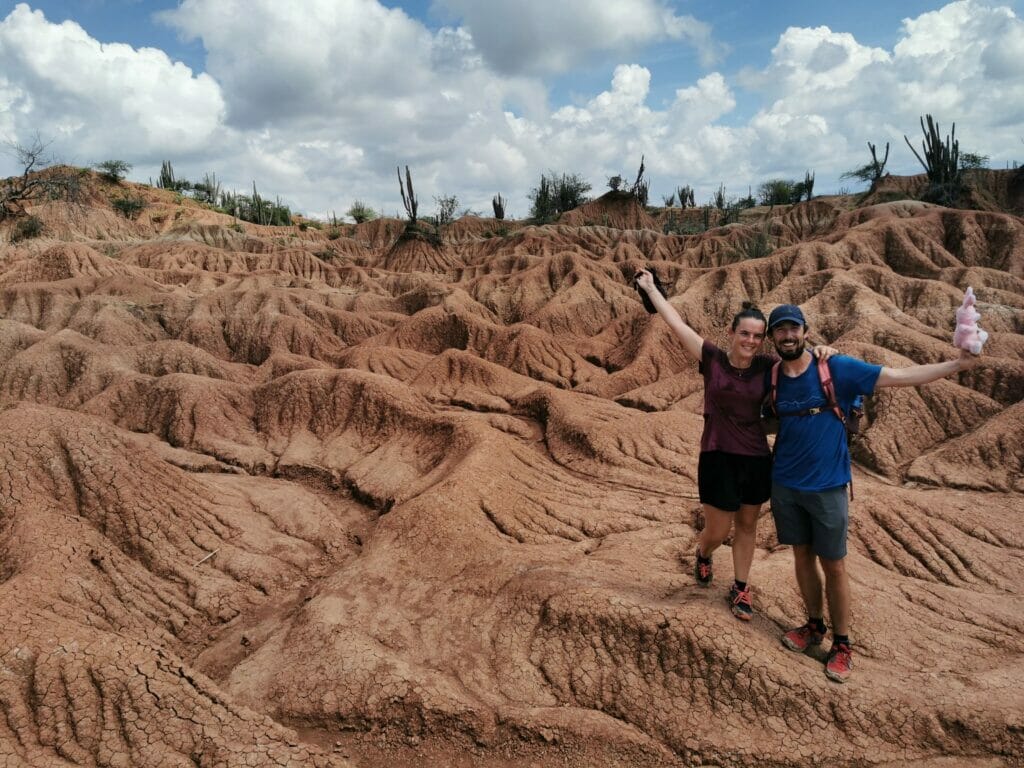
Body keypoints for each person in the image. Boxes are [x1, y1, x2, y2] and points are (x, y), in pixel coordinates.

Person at [765, 303, 980, 683]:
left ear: (805, 332)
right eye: (780, 331)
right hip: (785, 483)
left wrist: (956, 365)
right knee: (801, 555)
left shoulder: (836, 368)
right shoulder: (772, 376)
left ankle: (843, 644)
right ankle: (814, 627)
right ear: (772, 338)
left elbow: (899, 375)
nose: (787, 336)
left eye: (793, 329)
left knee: (834, 565)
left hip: (827, 486)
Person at [634, 270, 837, 621]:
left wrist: (826, 351)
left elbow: (803, 363)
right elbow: (676, 323)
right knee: (718, 529)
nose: (751, 340)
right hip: (717, 456)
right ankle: (703, 552)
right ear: (731, 333)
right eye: (745, 333)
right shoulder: (712, 359)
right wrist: (651, 289)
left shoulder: (769, 365)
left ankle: (740, 587)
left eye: (758, 336)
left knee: (747, 526)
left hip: (757, 458)